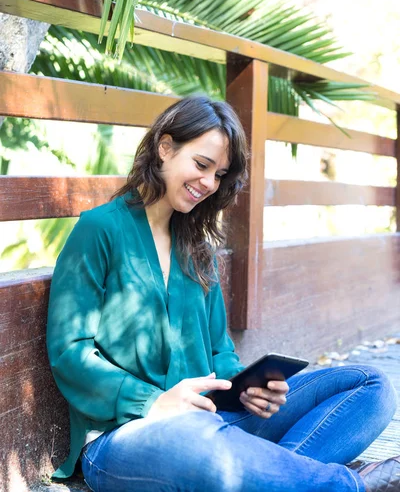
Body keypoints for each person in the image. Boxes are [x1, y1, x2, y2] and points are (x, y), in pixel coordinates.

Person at [47, 95, 399, 492]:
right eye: (201, 165)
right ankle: (347, 485)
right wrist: (152, 402)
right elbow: (69, 351)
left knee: (370, 387)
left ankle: (278, 478)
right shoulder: (100, 230)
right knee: (205, 448)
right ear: (165, 148)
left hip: (216, 418)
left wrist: (247, 390)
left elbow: (219, 352)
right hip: (130, 435)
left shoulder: (197, 245)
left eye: (219, 174)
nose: (209, 184)